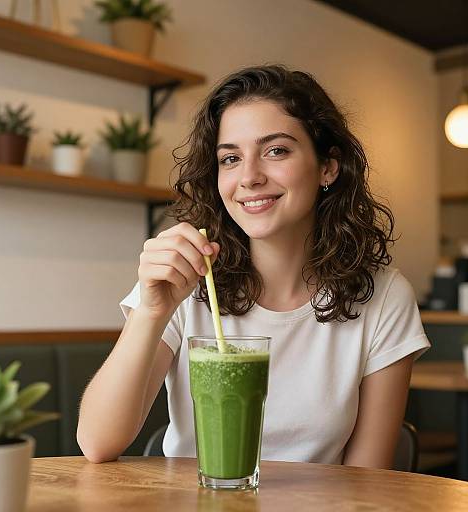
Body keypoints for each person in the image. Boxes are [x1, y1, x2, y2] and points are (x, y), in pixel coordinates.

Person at [77, 64, 430, 468]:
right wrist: (152, 311)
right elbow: (98, 443)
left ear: (328, 167)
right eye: (230, 158)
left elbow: (366, 479)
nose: (248, 177)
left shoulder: (384, 296)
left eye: (275, 150)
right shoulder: (185, 278)